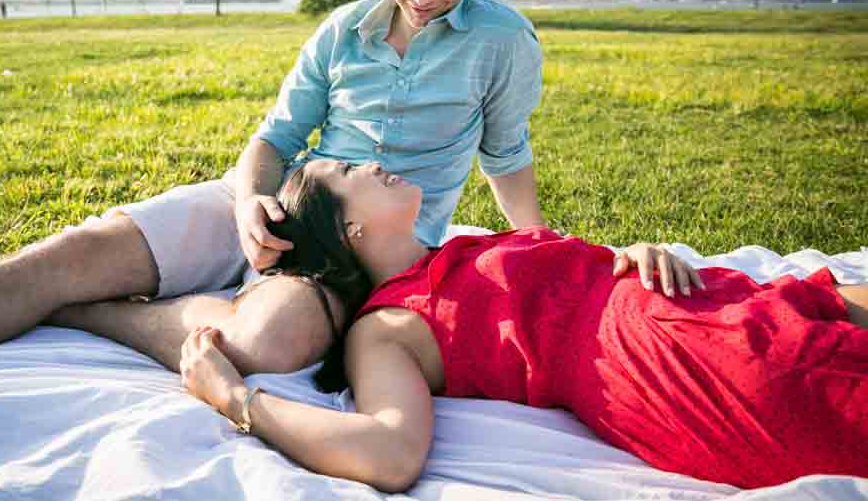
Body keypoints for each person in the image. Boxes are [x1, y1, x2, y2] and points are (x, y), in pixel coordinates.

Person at [0, 0, 693, 382]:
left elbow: (506, 154)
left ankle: (90, 316)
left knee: (279, 339)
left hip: (369, 242)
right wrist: (250, 206)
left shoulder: (503, 41)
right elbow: (274, 140)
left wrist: (549, 254)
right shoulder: (342, 30)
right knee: (59, 255)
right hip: (272, 205)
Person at [180, 159, 868, 492]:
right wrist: (235, 400)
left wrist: (629, 255)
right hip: (680, 361)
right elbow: (389, 454)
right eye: (347, 169)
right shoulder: (387, 325)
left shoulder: (467, 247)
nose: (372, 161)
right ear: (348, 227)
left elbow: (564, 282)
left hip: (720, 297)